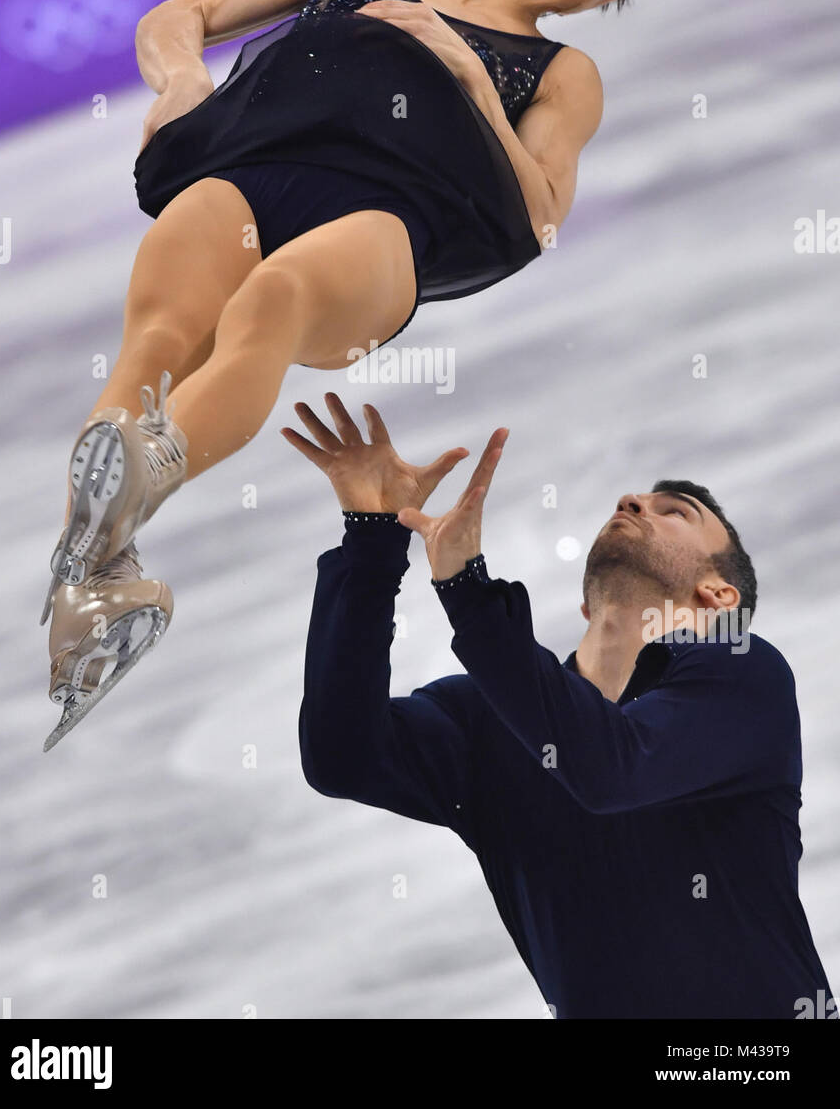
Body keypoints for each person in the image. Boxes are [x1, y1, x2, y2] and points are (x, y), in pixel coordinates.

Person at [41, 0, 738, 722]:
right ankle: (91, 583)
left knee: (272, 301)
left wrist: (462, 71)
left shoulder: (562, 74)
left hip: (386, 226)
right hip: (253, 170)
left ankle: (129, 493)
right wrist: (182, 81)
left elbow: (539, 218)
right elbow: (188, 12)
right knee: (159, 335)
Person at [288, 393, 835, 1019]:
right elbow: (342, 757)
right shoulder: (490, 718)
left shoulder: (744, 679)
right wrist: (372, 543)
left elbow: (610, 770)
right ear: (587, 608)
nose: (632, 501)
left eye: (674, 512)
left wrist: (470, 593)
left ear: (716, 594)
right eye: (634, 499)